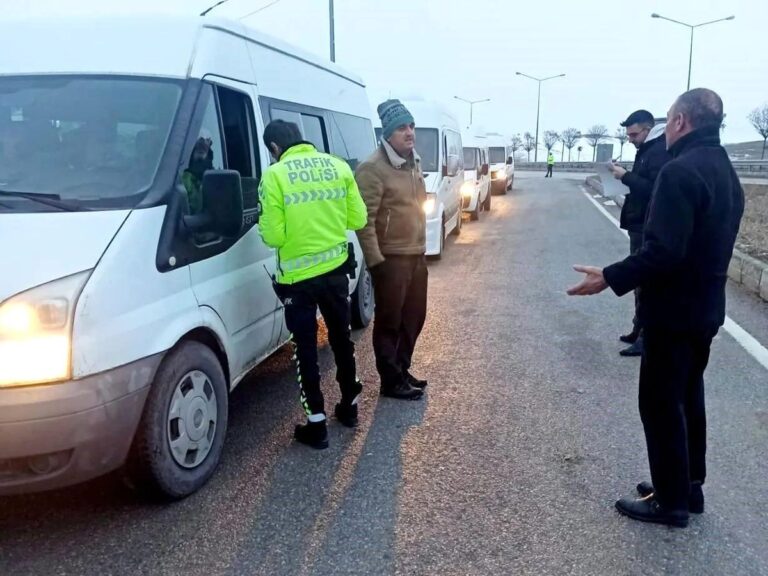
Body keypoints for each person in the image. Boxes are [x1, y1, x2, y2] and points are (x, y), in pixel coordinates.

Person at [567, 88, 744, 528]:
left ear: (681, 122)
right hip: (706, 308)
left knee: (660, 402)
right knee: (688, 396)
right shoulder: (724, 170)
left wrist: (609, 276)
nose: (665, 129)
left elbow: (664, 251)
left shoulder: (679, 172)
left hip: (673, 310)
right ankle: (688, 486)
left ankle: (670, 501)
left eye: (668, 120)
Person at [258, 119, 368, 449]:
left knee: (305, 349)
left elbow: (273, 236)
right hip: (336, 272)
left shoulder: (274, 176)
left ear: (275, 148)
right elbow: (357, 219)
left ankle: (316, 424)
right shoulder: (337, 167)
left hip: (298, 283)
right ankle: (349, 406)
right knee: (341, 339)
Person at [355, 99, 428, 401]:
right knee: (389, 321)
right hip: (391, 258)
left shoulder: (414, 161)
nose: (409, 133)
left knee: (415, 315)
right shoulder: (372, 169)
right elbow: (364, 221)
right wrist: (376, 263)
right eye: (401, 128)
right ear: (387, 134)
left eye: (411, 126)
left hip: (416, 254)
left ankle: (401, 368)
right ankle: (390, 380)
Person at [610, 110, 671, 357]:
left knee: (646, 284)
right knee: (639, 284)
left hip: (648, 226)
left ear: (647, 129)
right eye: (628, 135)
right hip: (638, 224)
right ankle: (638, 329)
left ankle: (646, 338)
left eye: (634, 134)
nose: (631, 139)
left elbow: (655, 190)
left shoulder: (658, 152)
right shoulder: (646, 150)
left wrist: (626, 176)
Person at [182, 136, 214, 214]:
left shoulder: (214, 178)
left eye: (206, 140)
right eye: (199, 140)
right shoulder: (180, 176)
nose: (203, 142)